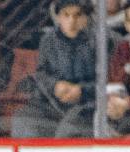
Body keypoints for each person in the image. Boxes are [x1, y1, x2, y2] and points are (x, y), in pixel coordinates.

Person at [11, 0, 97, 138]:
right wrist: (55, 86)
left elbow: (107, 80)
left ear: (85, 17)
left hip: (87, 105)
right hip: (51, 103)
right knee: (23, 119)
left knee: (70, 127)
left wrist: (82, 90)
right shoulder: (47, 40)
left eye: (77, 15)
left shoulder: (99, 41)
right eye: (66, 15)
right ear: (58, 17)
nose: (72, 21)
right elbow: (41, 73)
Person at [107, 0, 130, 134]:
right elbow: (114, 81)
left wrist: (128, 104)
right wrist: (116, 101)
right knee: (102, 116)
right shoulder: (123, 48)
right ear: (125, 25)